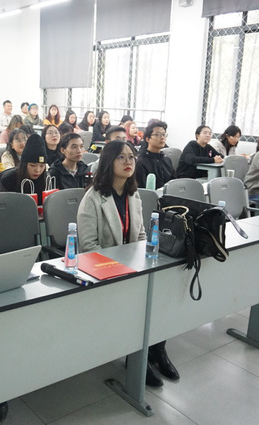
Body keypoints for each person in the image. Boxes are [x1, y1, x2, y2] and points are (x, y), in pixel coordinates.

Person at [77, 140, 178, 388]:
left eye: (131, 157)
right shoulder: (93, 198)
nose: (128, 162)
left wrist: (142, 263)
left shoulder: (133, 194)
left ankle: (157, 349)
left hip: (132, 267)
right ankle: (136, 357)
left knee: (159, 290)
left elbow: (141, 235)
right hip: (104, 270)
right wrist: (120, 268)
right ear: (108, 162)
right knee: (137, 300)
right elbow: (88, 247)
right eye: (121, 157)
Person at [0, 134, 49, 204]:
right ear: (24, 165)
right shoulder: (7, 180)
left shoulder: (47, 180)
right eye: (33, 165)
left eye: (42, 166)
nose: (37, 170)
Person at [135, 120, 174, 189]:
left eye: (164, 134)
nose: (162, 137)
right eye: (157, 134)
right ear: (147, 139)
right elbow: (142, 189)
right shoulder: (141, 162)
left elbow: (174, 183)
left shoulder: (167, 160)